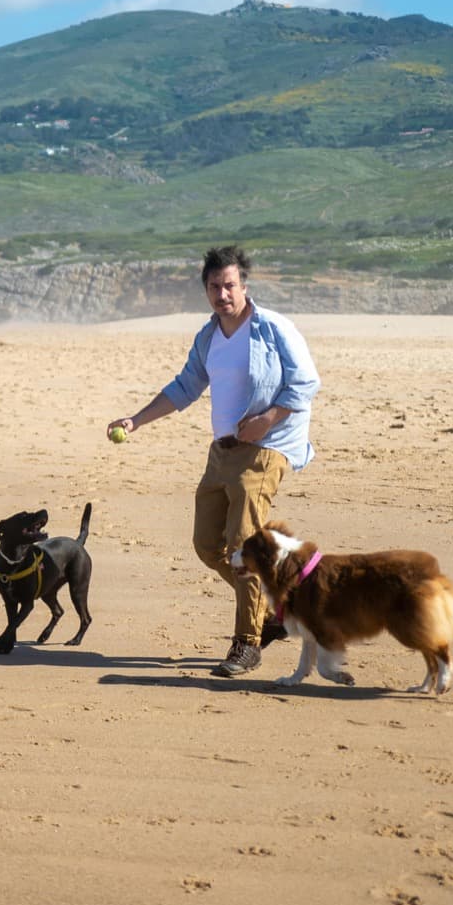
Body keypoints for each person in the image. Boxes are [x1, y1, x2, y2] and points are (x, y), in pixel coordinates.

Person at [106, 245, 320, 677]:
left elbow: (305, 384)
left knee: (246, 544)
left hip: (266, 448)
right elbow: (185, 386)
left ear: (244, 285)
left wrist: (266, 420)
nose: (222, 294)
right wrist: (136, 420)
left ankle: (247, 643)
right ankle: (271, 616)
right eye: (214, 287)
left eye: (229, 285)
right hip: (221, 450)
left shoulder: (273, 328)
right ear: (205, 290)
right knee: (208, 545)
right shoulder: (208, 337)